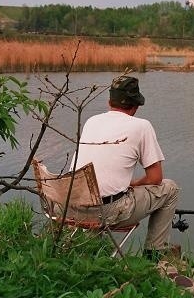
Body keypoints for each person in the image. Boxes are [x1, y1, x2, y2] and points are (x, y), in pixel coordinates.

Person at [73, 75, 180, 257]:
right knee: (170, 189)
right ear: (136, 106)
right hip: (108, 212)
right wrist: (134, 184)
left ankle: (90, 253)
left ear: (109, 102)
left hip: (72, 206)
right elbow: (156, 178)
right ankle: (154, 253)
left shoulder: (92, 121)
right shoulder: (142, 126)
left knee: (99, 192)